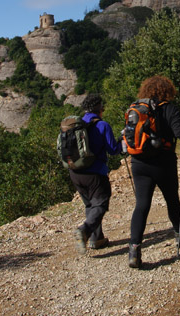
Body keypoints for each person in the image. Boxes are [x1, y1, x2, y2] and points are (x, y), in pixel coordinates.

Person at [127, 76, 180, 269]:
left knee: (141, 205)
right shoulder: (169, 108)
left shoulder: (138, 108)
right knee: (172, 200)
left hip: (139, 163)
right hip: (163, 162)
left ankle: (134, 250)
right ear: (167, 90)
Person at [70, 94, 122, 254]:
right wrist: (122, 140)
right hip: (95, 173)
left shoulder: (76, 125)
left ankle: (96, 239)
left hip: (75, 172)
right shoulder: (102, 125)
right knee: (100, 203)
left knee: (90, 205)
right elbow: (113, 150)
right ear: (99, 108)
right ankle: (85, 230)